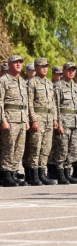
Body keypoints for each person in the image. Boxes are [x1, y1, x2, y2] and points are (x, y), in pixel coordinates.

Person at [27, 58, 58, 185]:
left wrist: (55, 118)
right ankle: (33, 176)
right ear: (36, 67)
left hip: (48, 119)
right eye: (42, 66)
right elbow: (29, 103)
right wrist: (33, 119)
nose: (45, 68)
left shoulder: (49, 84)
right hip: (38, 118)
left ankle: (42, 174)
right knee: (35, 147)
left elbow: (53, 103)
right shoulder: (32, 82)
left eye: (46, 66)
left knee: (46, 147)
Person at [0, 55, 29, 187]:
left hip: (22, 119)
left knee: (19, 148)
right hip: (10, 119)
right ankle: (6, 175)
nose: (18, 64)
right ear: (9, 64)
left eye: (20, 62)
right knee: (8, 147)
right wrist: (2, 120)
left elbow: (25, 103)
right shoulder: (3, 80)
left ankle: (13, 174)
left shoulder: (22, 82)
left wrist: (27, 120)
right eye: (15, 62)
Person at [53, 62, 77, 184]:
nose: (71, 72)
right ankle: (60, 175)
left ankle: (68, 173)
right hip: (64, 122)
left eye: (73, 70)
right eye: (69, 70)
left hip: (75, 123)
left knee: (73, 149)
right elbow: (55, 105)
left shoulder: (76, 87)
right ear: (64, 71)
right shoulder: (58, 86)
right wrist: (58, 123)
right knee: (62, 148)